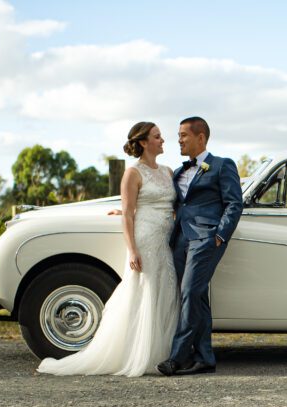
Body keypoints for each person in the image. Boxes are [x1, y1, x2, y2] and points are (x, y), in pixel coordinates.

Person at [38, 122, 179, 377]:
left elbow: (172, 206)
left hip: (165, 238)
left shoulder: (168, 171)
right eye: (157, 137)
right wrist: (132, 250)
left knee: (165, 291)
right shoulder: (133, 173)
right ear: (144, 142)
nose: (163, 140)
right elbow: (127, 213)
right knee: (143, 292)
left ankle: (163, 352)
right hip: (145, 239)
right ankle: (137, 353)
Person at [156, 116, 243, 376]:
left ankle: (177, 357)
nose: (179, 140)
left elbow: (234, 203)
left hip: (206, 238)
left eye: (183, 135)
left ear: (201, 137)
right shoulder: (180, 171)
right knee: (198, 298)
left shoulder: (221, 165)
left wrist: (220, 235)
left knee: (190, 293)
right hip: (180, 238)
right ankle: (205, 357)